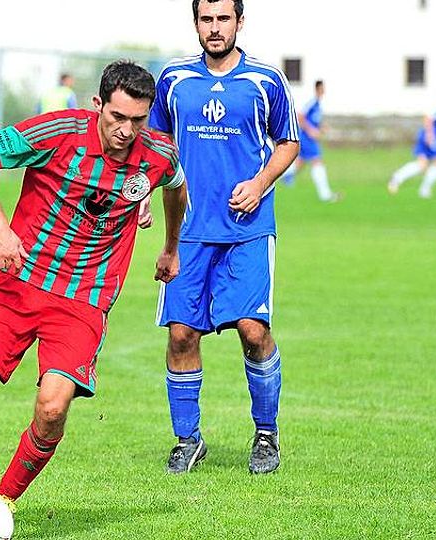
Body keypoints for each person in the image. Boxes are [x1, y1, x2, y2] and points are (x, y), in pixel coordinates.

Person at [0, 60, 187, 507]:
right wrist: (0, 228)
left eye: (138, 120)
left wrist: (171, 246)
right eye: (117, 117)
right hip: (18, 283)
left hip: (83, 299)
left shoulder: (159, 155)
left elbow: (176, 186)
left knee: (53, 408)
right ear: (98, 105)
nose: (126, 130)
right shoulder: (58, 131)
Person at [148, 0, 299, 475]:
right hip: (189, 232)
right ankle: (187, 440)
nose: (215, 28)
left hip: (247, 230)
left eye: (223, 19)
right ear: (196, 23)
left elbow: (289, 142)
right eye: (206, 19)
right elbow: (154, 146)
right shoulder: (173, 79)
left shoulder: (266, 80)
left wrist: (259, 183)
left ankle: (266, 435)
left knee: (253, 331)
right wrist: (140, 196)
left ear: (239, 22)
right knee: (181, 335)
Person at [388, 91, 436, 198]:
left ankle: (397, 179)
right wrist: (429, 135)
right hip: (430, 138)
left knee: (422, 164)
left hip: (428, 136)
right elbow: (428, 118)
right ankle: (424, 190)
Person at [281, 79, 341, 202]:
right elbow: (300, 116)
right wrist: (311, 131)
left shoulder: (318, 105)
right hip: (306, 138)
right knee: (317, 161)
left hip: (306, 138)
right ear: (318, 89)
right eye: (322, 88)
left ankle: (280, 175)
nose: (324, 90)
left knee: (300, 163)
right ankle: (325, 195)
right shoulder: (312, 102)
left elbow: (313, 121)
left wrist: (321, 128)